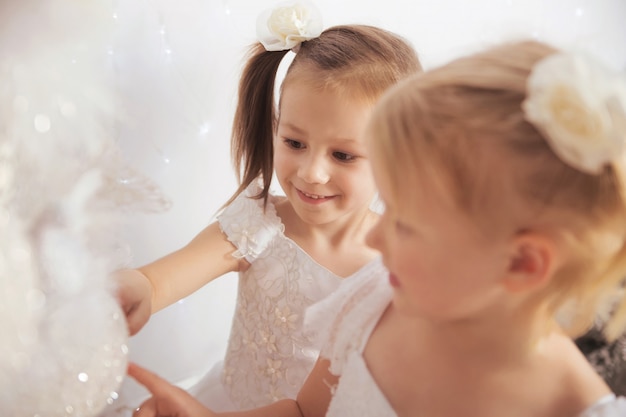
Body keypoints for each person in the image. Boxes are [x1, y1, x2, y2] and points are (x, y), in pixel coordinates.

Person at [127, 38, 626, 417]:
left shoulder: (573, 402)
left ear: (521, 262)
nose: (374, 238)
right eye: (295, 141)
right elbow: (306, 411)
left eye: (407, 223)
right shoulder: (374, 300)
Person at [115, 0, 422, 411]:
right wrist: (136, 288)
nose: (312, 173)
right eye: (295, 143)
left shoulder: (392, 274)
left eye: (343, 155)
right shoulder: (260, 223)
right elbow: (157, 282)